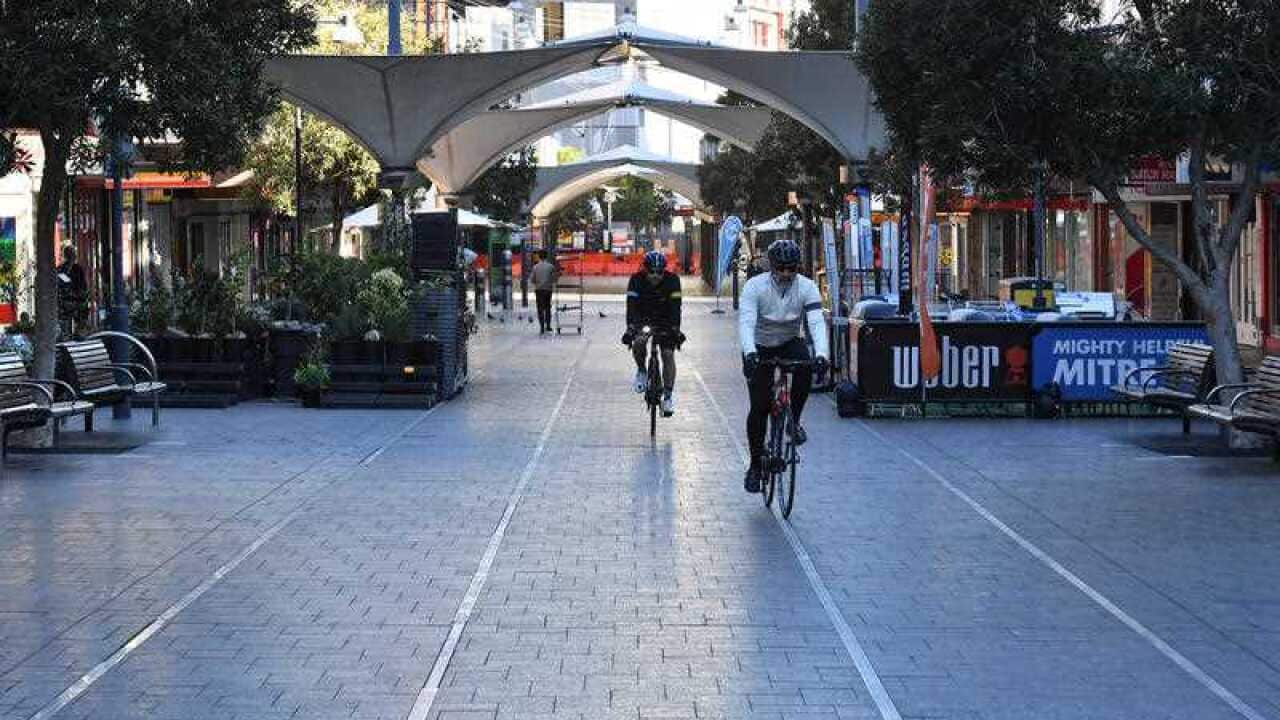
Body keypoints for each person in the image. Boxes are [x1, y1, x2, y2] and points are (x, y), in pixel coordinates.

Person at [738, 238, 829, 493]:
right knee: (759, 407)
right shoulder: (754, 287)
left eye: (792, 269)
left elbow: (816, 323)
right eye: (782, 269)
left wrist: (821, 354)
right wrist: (750, 353)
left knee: (805, 369)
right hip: (760, 344)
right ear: (772, 266)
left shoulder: (807, 287)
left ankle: (794, 421)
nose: (787, 273)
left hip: (790, 340)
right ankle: (755, 465)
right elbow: (746, 322)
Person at [622, 250, 683, 416]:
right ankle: (642, 370)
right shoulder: (636, 280)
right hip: (643, 319)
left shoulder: (673, 281)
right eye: (651, 272)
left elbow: (676, 307)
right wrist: (631, 327)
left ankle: (668, 397)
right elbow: (631, 306)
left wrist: (675, 329)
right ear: (644, 270)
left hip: (666, 320)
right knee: (640, 341)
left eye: (659, 272)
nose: (655, 276)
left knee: (668, 355)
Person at [56, 244, 88, 338]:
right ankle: (65, 333)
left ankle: (79, 332)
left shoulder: (78, 269)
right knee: (64, 311)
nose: (72, 257)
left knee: (83, 309)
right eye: (70, 254)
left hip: (76, 299)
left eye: (73, 254)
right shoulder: (61, 269)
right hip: (65, 300)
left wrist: (81, 296)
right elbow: (60, 284)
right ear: (66, 256)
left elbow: (83, 285)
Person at [529, 250, 558, 334]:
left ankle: (542, 327)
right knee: (548, 307)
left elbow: (532, 280)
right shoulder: (551, 267)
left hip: (539, 290)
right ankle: (548, 326)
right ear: (546, 256)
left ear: (539, 257)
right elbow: (554, 279)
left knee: (540, 308)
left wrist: (538, 282)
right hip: (548, 289)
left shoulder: (535, 267)